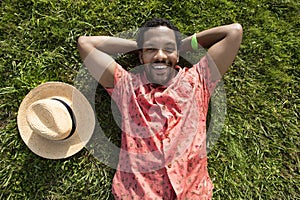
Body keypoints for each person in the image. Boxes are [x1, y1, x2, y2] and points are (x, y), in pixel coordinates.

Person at [78, 18, 243, 200]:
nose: (161, 56)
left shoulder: (198, 81)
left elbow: (233, 32)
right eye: (151, 50)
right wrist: (138, 46)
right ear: (141, 57)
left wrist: (183, 45)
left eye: (169, 49)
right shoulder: (126, 87)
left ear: (178, 55)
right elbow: (86, 44)